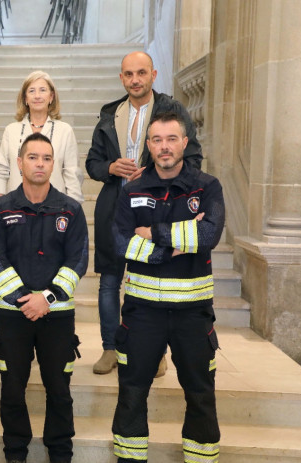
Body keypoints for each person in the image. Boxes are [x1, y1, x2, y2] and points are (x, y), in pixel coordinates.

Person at [110, 111, 223, 462]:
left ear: (185, 143)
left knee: (200, 393)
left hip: (193, 314)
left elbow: (209, 234)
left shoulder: (207, 187)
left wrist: (154, 234)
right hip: (142, 313)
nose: (164, 147)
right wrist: (174, 246)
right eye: (157, 140)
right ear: (148, 145)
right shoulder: (133, 189)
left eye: (171, 139)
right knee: (131, 392)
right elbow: (120, 243)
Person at [85, 51, 203, 376]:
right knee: (109, 281)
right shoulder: (110, 114)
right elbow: (92, 163)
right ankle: (111, 347)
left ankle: (156, 352)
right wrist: (110, 166)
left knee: (154, 282)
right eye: (128, 74)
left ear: (152, 74)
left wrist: (156, 176)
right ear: (122, 78)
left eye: (141, 73)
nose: (135, 79)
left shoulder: (172, 110)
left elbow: (193, 158)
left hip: (157, 211)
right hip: (114, 210)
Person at [0, 132, 88, 463]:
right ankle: (15, 453)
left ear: (53, 164)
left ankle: (60, 453)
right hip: (13, 316)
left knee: (59, 390)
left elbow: (78, 260)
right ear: (19, 162)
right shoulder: (0, 208)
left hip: (57, 317)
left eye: (45, 158)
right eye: (32, 157)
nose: (39, 163)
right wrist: (23, 298)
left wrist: (48, 298)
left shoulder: (70, 209)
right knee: (13, 389)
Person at [0, 70, 83, 202]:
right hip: (16, 206)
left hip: (55, 206)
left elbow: (72, 173)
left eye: (42, 90)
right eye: (31, 91)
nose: (37, 96)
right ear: (25, 98)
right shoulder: (11, 130)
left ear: (51, 97)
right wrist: (1, 202)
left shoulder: (65, 130)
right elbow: (2, 169)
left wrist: (72, 208)